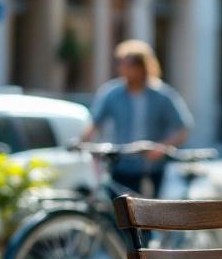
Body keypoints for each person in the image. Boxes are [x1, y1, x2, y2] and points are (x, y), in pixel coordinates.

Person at [81, 40, 192, 197]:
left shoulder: (162, 95)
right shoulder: (112, 94)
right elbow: (95, 122)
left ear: (142, 67)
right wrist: (83, 141)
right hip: (121, 165)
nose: (123, 69)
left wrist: (162, 148)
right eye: (121, 64)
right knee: (120, 214)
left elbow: (183, 128)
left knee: (149, 215)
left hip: (151, 168)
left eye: (129, 65)